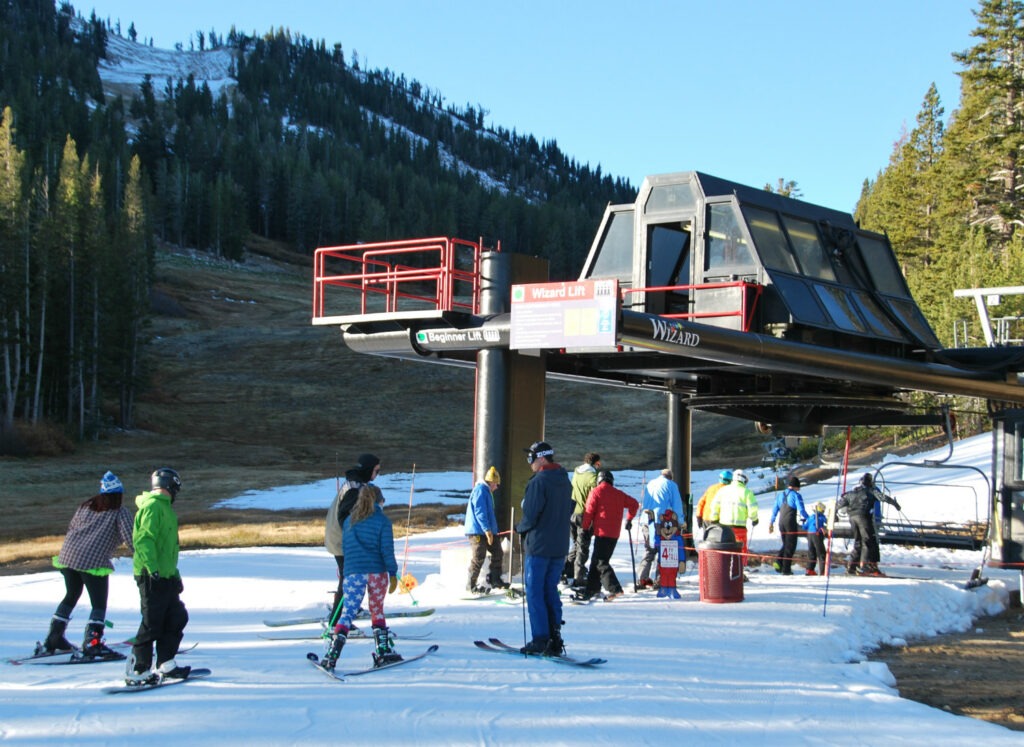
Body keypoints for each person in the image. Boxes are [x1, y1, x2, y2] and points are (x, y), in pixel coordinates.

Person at [39, 470, 134, 658]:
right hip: (91, 561)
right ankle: (93, 644)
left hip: (68, 556)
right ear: (119, 494)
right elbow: (130, 537)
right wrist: (142, 555)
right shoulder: (119, 512)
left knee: (72, 594)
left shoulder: (87, 505)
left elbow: (72, 527)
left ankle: (54, 637)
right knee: (99, 603)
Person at [322, 484, 401, 671]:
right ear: (378, 501)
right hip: (377, 572)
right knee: (377, 610)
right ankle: (382, 650)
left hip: (353, 572)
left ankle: (332, 654)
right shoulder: (382, 521)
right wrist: (392, 572)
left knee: (347, 612)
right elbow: (386, 551)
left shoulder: (350, 520)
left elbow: (346, 549)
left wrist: (346, 571)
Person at [127, 467, 190, 684]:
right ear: (172, 486)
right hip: (150, 575)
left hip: (166, 575)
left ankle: (166, 663)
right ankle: (139, 669)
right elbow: (144, 540)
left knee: (177, 617)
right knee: (152, 623)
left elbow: (168, 548)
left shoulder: (165, 509)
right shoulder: (153, 507)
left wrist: (175, 574)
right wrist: (152, 568)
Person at [515, 440, 572, 656]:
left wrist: (519, 528)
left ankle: (540, 638)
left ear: (541, 458)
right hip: (558, 546)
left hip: (539, 546)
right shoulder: (564, 480)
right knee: (550, 590)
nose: (529, 462)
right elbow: (571, 507)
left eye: (531, 457)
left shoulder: (538, 482)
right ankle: (554, 635)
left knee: (535, 592)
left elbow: (530, 515)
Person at [325, 453, 381, 617]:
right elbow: (345, 518)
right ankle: (336, 622)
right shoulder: (355, 489)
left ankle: (351, 608)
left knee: (353, 578)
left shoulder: (357, 483)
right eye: (376, 471)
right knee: (348, 580)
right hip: (342, 541)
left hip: (341, 538)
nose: (377, 474)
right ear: (368, 469)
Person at [576, 470, 638, 602]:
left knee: (601, 562)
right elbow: (634, 504)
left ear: (599, 480)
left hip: (602, 532)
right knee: (596, 560)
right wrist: (629, 519)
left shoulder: (596, 492)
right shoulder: (618, 494)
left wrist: (585, 528)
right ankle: (592, 588)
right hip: (614, 534)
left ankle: (615, 589)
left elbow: (588, 512)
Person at [837, 473, 900, 576]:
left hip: (852, 518)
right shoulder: (871, 491)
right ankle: (863, 567)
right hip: (863, 517)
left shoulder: (851, 493)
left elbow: (839, 504)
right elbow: (883, 497)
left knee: (858, 542)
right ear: (870, 483)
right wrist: (895, 504)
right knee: (867, 540)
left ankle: (851, 567)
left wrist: (834, 514)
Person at [637, 469, 685, 588]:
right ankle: (660, 580)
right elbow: (677, 505)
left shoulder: (651, 483)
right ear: (670, 477)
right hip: (662, 522)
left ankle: (642, 578)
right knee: (664, 550)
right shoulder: (671, 485)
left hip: (646, 521)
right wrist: (681, 522)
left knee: (649, 550)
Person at [465, 466, 506, 593]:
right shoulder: (480, 490)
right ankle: (470, 586)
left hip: (487, 531)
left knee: (498, 552)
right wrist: (487, 530)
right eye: (496, 484)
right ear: (492, 482)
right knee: (479, 556)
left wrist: (493, 532)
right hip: (478, 531)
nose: (497, 487)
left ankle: (495, 579)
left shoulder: (487, 492)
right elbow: (480, 512)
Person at [564, 452, 601, 588]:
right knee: (583, 547)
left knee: (576, 543)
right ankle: (579, 577)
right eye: (599, 463)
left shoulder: (576, 472)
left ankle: (568, 569)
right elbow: (595, 498)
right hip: (584, 514)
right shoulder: (593, 477)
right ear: (595, 463)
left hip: (572, 512)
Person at [709, 468, 759, 563]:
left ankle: (725, 566)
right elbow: (753, 508)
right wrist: (754, 519)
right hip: (740, 527)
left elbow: (715, 505)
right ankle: (740, 568)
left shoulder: (723, 490)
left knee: (726, 548)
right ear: (744, 480)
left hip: (724, 527)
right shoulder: (747, 492)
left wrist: (714, 519)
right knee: (741, 548)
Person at [769, 475, 808, 575]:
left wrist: (771, 522)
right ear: (796, 486)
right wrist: (809, 519)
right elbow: (801, 510)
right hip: (790, 523)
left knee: (786, 544)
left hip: (781, 523)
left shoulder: (780, 495)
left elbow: (775, 510)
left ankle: (779, 563)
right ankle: (786, 569)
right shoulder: (796, 495)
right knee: (791, 546)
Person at [654, 509, 686, 599]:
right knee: (663, 575)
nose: (668, 530)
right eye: (664, 528)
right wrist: (651, 521)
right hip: (663, 563)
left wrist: (682, 561)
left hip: (673, 563)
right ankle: (663, 589)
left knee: (672, 575)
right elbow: (655, 543)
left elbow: (680, 550)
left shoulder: (678, 538)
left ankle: (672, 589)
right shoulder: (661, 538)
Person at [804, 502, 829, 576]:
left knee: (812, 553)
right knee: (821, 553)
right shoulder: (821, 516)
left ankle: (809, 570)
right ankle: (823, 571)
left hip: (809, 535)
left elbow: (805, 527)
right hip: (817, 535)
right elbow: (827, 522)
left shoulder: (811, 516)